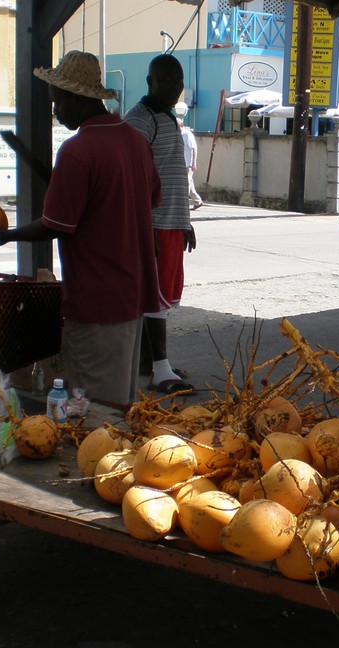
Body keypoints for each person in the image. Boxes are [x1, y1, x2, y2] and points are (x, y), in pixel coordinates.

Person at [0, 51, 161, 407]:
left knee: (91, 409)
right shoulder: (135, 141)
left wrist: (7, 235)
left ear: (78, 99)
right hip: (134, 293)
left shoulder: (78, 151)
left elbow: (54, 225)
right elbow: (147, 198)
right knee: (120, 400)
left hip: (97, 297)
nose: (56, 112)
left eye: (59, 103)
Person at [124, 55, 197, 395]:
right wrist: (145, 226)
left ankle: (149, 362)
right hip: (154, 222)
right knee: (156, 300)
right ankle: (160, 370)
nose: (173, 86)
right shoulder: (141, 119)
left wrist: (186, 222)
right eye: (165, 79)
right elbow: (134, 176)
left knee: (161, 297)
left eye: (177, 80)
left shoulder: (166, 115)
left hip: (171, 221)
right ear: (149, 80)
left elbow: (170, 173)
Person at [179, 117, 204, 210]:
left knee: (186, 183)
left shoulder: (187, 134)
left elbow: (194, 148)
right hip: (182, 163)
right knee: (190, 183)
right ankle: (198, 201)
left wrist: (194, 162)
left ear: (180, 126)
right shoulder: (179, 134)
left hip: (188, 163)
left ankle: (184, 204)